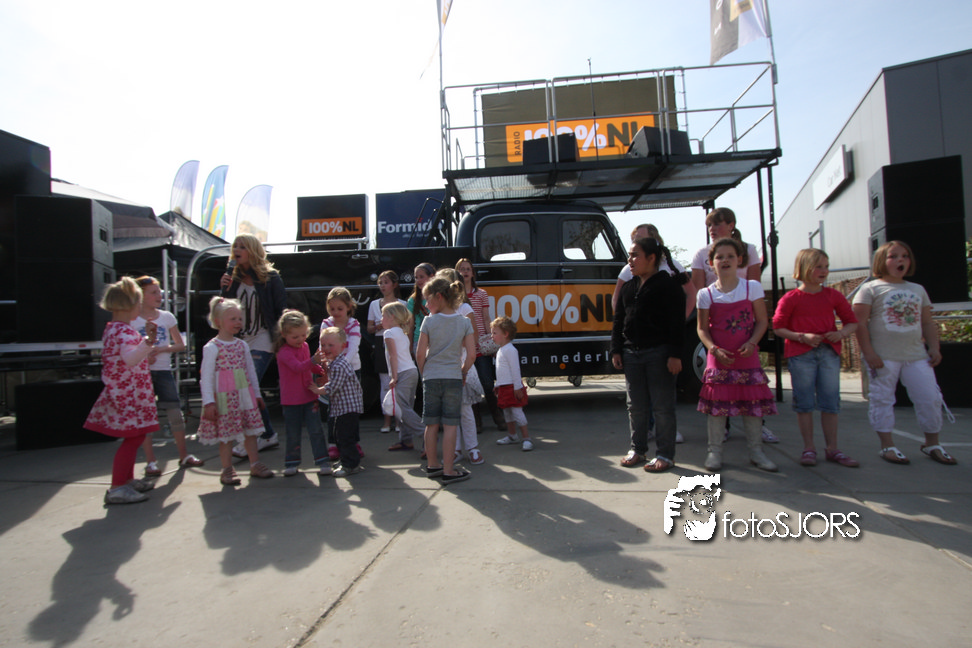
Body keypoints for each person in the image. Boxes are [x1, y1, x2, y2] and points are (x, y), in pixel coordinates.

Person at [852, 240, 957, 466]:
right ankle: (887, 446)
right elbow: (859, 323)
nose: (900, 260)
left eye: (905, 256)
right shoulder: (870, 289)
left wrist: (934, 347)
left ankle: (932, 444)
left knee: (930, 398)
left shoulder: (917, 289)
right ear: (881, 261)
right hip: (883, 357)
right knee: (882, 399)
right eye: (893, 256)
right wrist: (869, 353)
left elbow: (927, 322)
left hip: (916, 356)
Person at [690, 207, 779, 444]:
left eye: (717, 224)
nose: (712, 229)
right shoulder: (701, 254)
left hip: (744, 321)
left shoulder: (749, 250)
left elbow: (754, 285)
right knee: (720, 381)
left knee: (750, 380)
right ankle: (723, 428)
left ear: (731, 225)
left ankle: (759, 427)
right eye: (710, 225)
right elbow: (698, 289)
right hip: (716, 323)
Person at [772, 249, 859, 467]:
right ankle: (809, 448)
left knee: (830, 402)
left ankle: (832, 449)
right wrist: (802, 337)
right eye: (818, 266)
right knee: (804, 403)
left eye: (826, 266)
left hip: (829, 353)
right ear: (804, 268)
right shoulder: (790, 298)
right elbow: (778, 327)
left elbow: (852, 322)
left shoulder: (833, 295)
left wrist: (840, 334)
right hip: (801, 355)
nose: (824, 271)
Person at [611, 224, 691, 444]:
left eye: (635, 255)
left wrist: (674, 353)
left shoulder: (669, 282)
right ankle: (638, 448)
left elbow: (677, 321)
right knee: (635, 406)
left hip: (659, 353)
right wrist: (617, 348)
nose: (630, 260)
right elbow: (619, 317)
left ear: (652, 256)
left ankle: (665, 452)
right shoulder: (628, 284)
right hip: (632, 354)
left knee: (662, 405)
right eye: (629, 254)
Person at [83, 277, 159, 505]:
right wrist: (148, 342)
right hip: (129, 395)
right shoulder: (124, 332)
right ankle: (118, 486)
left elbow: (127, 358)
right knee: (134, 437)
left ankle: (126, 480)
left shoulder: (113, 329)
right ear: (129, 305)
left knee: (134, 436)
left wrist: (144, 351)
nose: (140, 308)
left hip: (125, 392)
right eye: (138, 303)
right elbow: (130, 359)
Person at [197, 297, 275, 485]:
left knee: (250, 432)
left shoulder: (242, 345)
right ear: (218, 321)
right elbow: (206, 377)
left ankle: (254, 463)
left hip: (243, 396)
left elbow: (251, 372)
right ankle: (226, 469)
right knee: (226, 436)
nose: (238, 322)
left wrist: (257, 394)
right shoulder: (212, 347)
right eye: (233, 319)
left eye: (240, 318)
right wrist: (208, 402)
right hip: (224, 399)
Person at [221, 234, 286, 457]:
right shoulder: (233, 278)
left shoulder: (270, 277)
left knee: (247, 385)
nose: (237, 250)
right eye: (235, 246)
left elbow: (280, 309)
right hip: (240, 340)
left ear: (252, 250)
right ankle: (267, 434)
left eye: (242, 247)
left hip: (263, 337)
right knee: (245, 388)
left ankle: (250, 439)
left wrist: (281, 339)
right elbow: (224, 312)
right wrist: (224, 289)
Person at [132, 276, 203, 476]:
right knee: (146, 415)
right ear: (141, 295)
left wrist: (162, 349)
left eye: (160, 292)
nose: (159, 296)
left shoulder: (166, 316)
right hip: (142, 373)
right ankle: (150, 461)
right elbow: (128, 349)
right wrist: (143, 356)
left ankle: (184, 455)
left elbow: (180, 344)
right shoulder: (132, 318)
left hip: (163, 371)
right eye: (154, 293)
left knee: (175, 412)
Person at [416, 275, 476, 484]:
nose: (426, 304)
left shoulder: (428, 321)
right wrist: (463, 372)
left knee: (431, 424)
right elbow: (471, 355)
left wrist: (424, 373)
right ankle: (449, 470)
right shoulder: (464, 322)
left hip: (431, 377)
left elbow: (420, 353)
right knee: (451, 425)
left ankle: (433, 465)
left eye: (427, 299)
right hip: (452, 377)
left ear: (439, 297)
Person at [439, 267, 486, 465]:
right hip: (444, 365)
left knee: (465, 410)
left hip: (461, 364)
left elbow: (473, 338)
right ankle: (455, 449)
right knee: (450, 411)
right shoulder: (437, 310)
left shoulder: (464, 309)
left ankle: (473, 448)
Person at [275, 310, 330, 476]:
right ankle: (292, 462)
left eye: (303, 335)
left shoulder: (304, 346)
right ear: (284, 334)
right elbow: (298, 367)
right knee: (293, 433)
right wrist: (314, 361)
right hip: (291, 400)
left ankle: (323, 461)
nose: (300, 340)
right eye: (295, 337)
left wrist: (320, 370)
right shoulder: (283, 352)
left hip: (309, 396)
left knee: (316, 430)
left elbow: (307, 365)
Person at [457, 257, 505, 432]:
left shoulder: (481, 294)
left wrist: (490, 339)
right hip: (463, 346)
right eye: (461, 269)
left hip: (479, 345)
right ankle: (476, 421)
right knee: (469, 384)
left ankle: (498, 416)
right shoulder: (455, 296)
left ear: (473, 273)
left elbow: (485, 317)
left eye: (468, 269)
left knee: (487, 382)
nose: (465, 272)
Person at [309, 327, 365, 477]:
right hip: (342, 408)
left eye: (330, 345)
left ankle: (350, 465)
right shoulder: (334, 363)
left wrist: (317, 390)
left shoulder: (339, 365)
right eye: (323, 345)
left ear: (342, 346)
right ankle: (347, 460)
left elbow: (333, 387)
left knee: (345, 437)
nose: (326, 348)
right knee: (340, 436)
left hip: (347, 409)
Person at [319, 286, 363, 460]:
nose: (336, 312)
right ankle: (333, 443)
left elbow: (353, 347)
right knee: (333, 408)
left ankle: (353, 442)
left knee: (352, 409)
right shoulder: (326, 324)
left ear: (349, 307)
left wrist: (342, 365)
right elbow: (323, 346)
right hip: (333, 369)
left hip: (352, 369)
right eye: (332, 309)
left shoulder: (354, 325)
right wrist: (326, 365)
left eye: (340, 308)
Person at [381, 302, 425, 452]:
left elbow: (393, 356)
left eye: (383, 316)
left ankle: (426, 435)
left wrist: (394, 377)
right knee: (406, 407)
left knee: (402, 408)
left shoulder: (389, 333)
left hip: (402, 373)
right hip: (412, 372)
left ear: (392, 317)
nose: (381, 319)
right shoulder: (402, 333)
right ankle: (406, 441)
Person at [368, 270, 406, 435]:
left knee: (399, 382)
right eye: (380, 283)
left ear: (394, 285)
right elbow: (369, 328)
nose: (383, 286)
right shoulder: (374, 304)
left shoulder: (403, 304)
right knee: (385, 383)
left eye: (386, 282)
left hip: (398, 343)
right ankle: (387, 420)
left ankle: (398, 420)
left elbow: (406, 326)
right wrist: (379, 326)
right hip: (381, 343)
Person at [492, 316, 535, 452]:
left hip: (512, 387)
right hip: (504, 387)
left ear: (505, 334)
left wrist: (517, 387)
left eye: (494, 333)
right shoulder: (501, 350)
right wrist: (498, 385)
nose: (492, 336)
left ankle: (526, 438)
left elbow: (515, 370)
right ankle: (512, 435)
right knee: (507, 413)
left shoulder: (510, 350)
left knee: (517, 413)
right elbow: (501, 371)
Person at [407, 262, 435, 355]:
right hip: (418, 340)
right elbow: (410, 326)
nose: (418, 280)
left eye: (421, 277)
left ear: (431, 276)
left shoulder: (438, 296)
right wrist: (410, 347)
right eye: (416, 277)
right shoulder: (413, 300)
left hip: (436, 339)